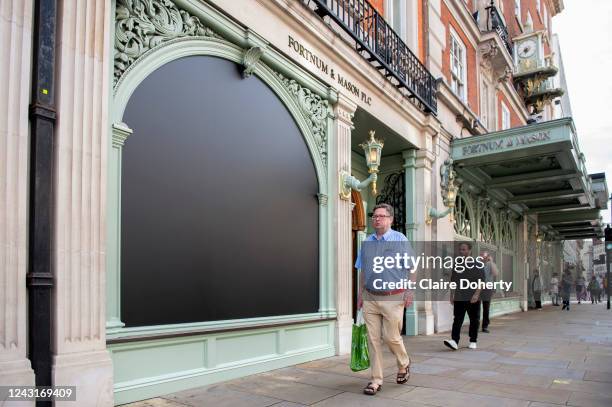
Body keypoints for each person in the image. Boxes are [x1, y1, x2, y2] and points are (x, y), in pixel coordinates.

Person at [356, 203, 413, 396]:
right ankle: (376, 380)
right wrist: (360, 293)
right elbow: (363, 270)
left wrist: (409, 291)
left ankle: (404, 363)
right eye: (375, 216)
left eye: (381, 216)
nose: (377, 219)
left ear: (390, 220)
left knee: (391, 337)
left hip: (393, 297)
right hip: (370, 296)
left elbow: (412, 268)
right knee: (373, 340)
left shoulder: (400, 239)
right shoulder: (367, 242)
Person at [444, 242, 485, 351]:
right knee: (457, 319)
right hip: (459, 296)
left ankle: (473, 340)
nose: (462, 252)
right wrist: (452, 295)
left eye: (464, 249)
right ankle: (454, 341)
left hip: (473, 297)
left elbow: (481, 281)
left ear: (469, 250)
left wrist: (476, 294)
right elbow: (453, 281)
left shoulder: (477, 264)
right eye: (460, 250)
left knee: (474, 319)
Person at [480, 251, 498, 333]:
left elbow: (496, 273)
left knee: (486, 307)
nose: (482, 257)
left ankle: (485, 326)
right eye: (481, 255)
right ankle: (475, 325)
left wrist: (491, 262)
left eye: (484, 255)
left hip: (487, 289)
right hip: (476, 288)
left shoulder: (490, 265)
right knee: (475, 308)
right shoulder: (477, 264)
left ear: (488, 257)